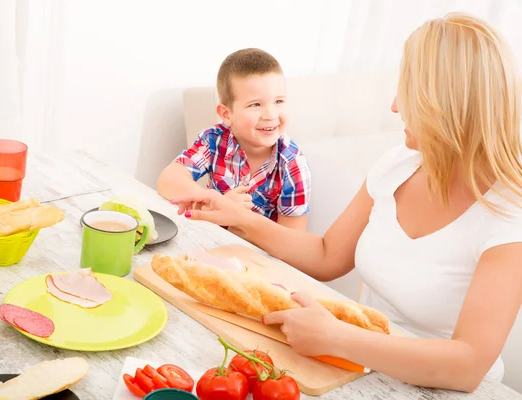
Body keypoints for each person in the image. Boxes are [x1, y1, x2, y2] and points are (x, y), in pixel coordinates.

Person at [169, 13, 522, 392]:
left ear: (447, 104)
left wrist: (337, 337)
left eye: (407, 91)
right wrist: (243, 219)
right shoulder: (397, 165)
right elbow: (327, 255)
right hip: (364, 372)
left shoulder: (508, 215)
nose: (394, 106)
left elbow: (466, 365)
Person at [157, 48, 311, 231]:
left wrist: (238, 219)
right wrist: (215, 202)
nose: (271, 115)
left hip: (258, 255)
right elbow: (168, 179)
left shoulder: (292, 163)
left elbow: (291, 242)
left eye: (278, 101)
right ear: (226, 114)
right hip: (213, 241)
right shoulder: (214, 140)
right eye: (255, 104)